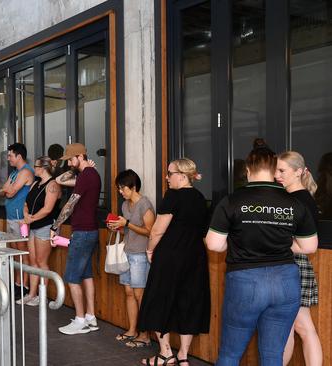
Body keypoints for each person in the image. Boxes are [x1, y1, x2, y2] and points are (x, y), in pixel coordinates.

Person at [205, 142, 318, 366]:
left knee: (230, 354)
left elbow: (214, 244)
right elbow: (309, 247)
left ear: (248, 171)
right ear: (273, 170)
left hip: (246, 282)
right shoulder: (293, 203)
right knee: (273, 356)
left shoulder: (232, 201)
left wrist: (238, 241)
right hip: (286, 282)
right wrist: (284, 244)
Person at [138, 158, 210, 366]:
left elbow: (158, 229)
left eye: (169, 173)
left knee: (160, 300)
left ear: (182, 175)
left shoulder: (173, 196)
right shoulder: (199, 197)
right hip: (195, 257)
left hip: (170, 256)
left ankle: (165, 353)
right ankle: (183, 356)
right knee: (190, 303)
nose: (167, 177)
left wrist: (150, 249)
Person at [275, 151, 323, 366]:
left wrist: (273, 244)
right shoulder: (289, 198)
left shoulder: (302, 200)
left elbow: (308, 245)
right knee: (288, 328)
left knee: (303, 327)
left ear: (298, 172)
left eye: (282, 170)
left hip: (295, 266)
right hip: (286, 266)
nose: (277, 175)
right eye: (276, 170)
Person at [49, 143, 101, 335]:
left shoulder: (87, 176)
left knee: (71, 277)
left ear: (80, 156)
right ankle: (90, 317)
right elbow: (59, 179)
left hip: (83, 233)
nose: (69, 163)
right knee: (85, 275)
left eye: (71, 159)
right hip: (89, 231)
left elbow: (70, 204)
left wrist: (55, 227)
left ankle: (80, 320)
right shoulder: (88, 175)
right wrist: (79, 167)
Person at [108, 169, 155, 348]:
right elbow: (128, 230)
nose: (120, 192)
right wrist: (118, 227)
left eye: (122, 188)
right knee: (129, 293)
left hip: (141, 254)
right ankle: (132, 330)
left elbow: (150, 231)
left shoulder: (145, 204)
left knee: (139, 294)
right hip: (127, 251)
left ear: (133, 187)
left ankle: (145, 334)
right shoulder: (124, 205)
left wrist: (127, 224)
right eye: (119, 189)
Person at [17, 156, 61, 307]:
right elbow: (26, 202)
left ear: (43, 168)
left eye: (35, 166)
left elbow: (48, 209)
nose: (33, 169)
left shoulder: (52, 185)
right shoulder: (35, 183)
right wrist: (26, 215)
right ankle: (32, 294)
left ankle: (42, 296)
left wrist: (31, 219)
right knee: (33, 262)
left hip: (44, 226)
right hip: (33, 226)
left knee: (42, 262)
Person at [0, 143, 35, 293]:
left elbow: (11, 192)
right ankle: (17, 283)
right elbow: (1, 192)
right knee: (14, 253)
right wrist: (7, 189)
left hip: (21, 219)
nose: (8, 159)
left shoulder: (26, 172)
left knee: (22, 252)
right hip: (11, 217)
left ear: (19, 156)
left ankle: (23, 286)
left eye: (10, 155)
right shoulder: (14, 173)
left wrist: (8, 189)